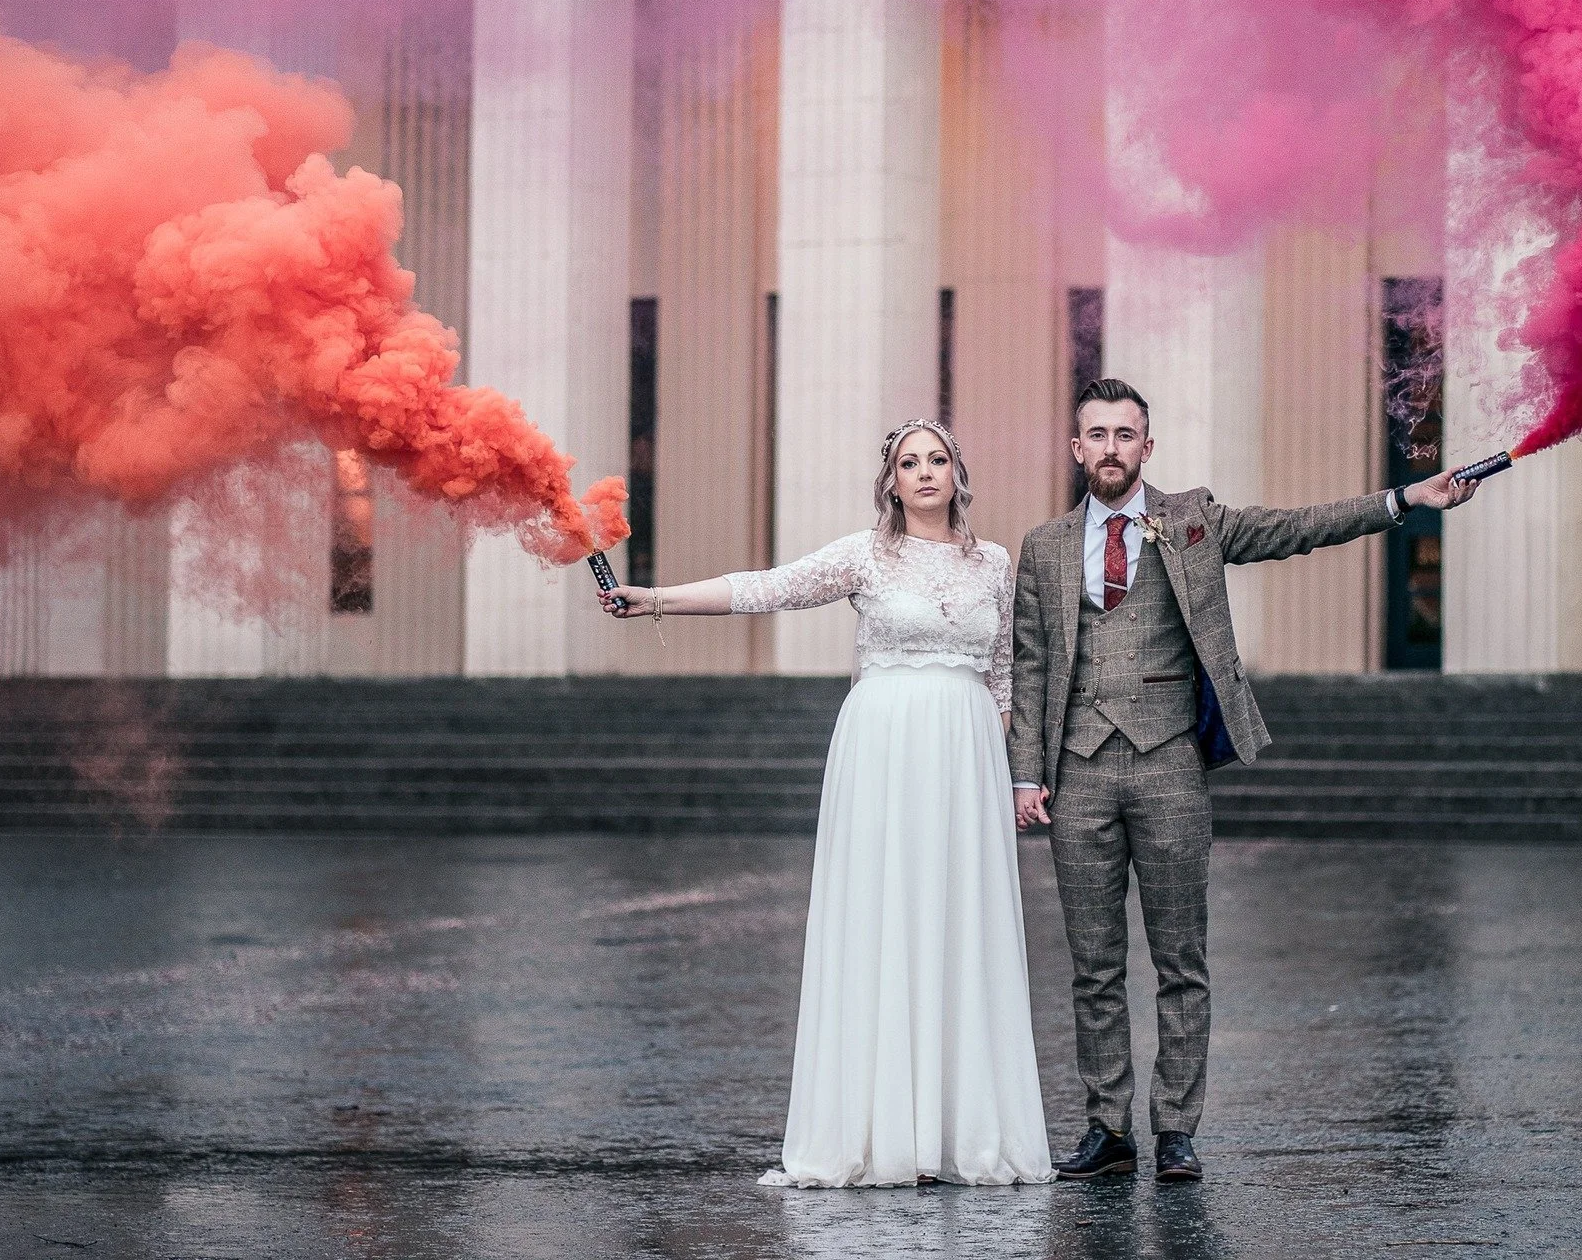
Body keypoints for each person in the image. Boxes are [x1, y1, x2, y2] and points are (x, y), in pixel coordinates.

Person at [1009, 378, 1481, 1184]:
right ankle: (1106, 1126)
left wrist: (1406, 499)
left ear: (1147, 448)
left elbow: (1297, 528)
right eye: (1099, 434)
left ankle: (1178, 1130)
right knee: (1093, 965)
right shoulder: (1045, 546)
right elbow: (1030, 664)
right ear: (1077, 447)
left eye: (1128, 434)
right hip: (1078, 770)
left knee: (1181, 959)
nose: (1113, 448)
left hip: (1169, 765)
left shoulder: (1191, 517)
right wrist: (1024, 774)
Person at [601, 420, 1053, 1189]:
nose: (923, 473)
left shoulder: (996, 565)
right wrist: (656, 600)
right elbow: (765, 587)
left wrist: (1010, 774)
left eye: (936, 459)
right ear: (891, 481)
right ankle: (875, 1131)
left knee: (958, 921)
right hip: (882, 750)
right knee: (883, 918)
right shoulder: (864, 554)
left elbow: (1005, 675)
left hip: (966, 751)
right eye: (908, 463)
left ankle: (962, 1130)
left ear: (957, 472)